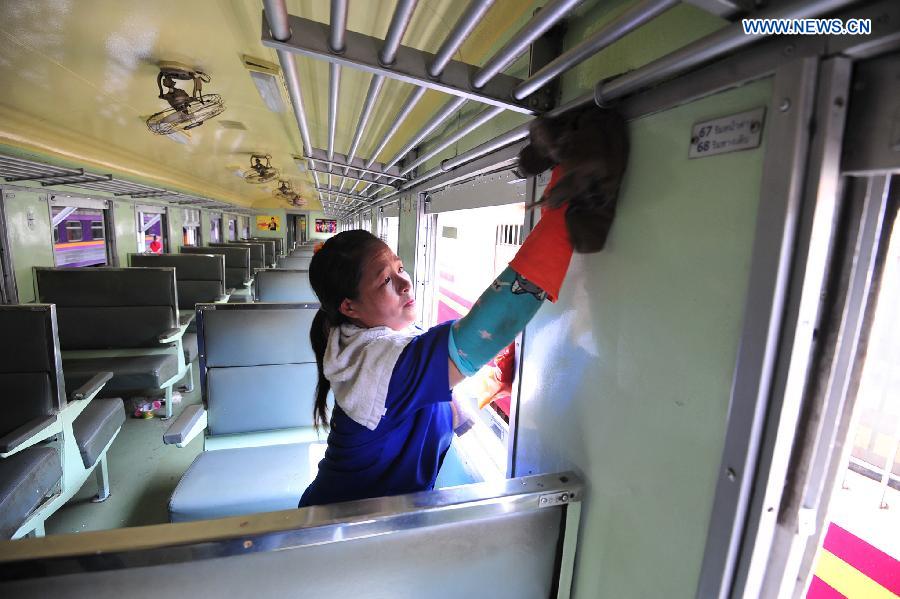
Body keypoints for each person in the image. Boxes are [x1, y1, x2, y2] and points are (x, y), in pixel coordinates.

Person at [299, 167, 575, 507]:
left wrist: (498, 379)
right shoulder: (378, 364)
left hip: (366, 522)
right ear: (349, 307)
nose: (405, 282)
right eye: (386, 280)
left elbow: (433, 400)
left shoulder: (382, 342)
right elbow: (482, 333)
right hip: (334, 529)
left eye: (400, 268)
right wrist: (564, 208)